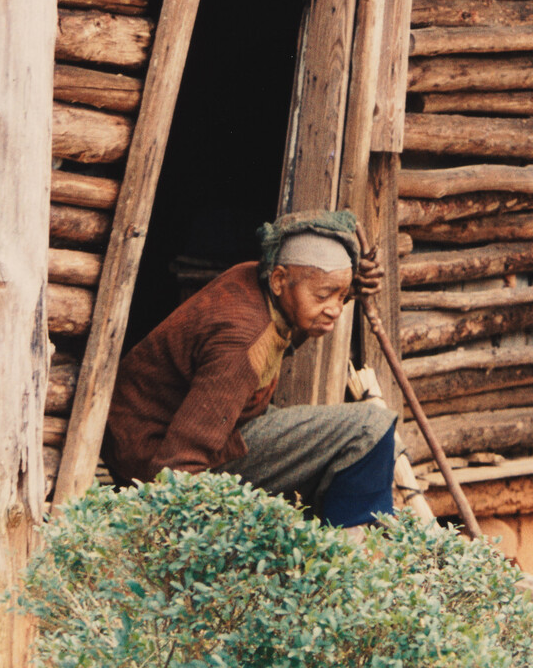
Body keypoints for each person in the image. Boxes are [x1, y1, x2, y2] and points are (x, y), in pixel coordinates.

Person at [102, 209, 398, 532]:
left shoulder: (257, 280)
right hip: (152, 454)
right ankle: (350, 548)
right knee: (370, 426)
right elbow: (177, 463)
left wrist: (349, 288)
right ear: (279, 280)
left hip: (158, 438)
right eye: (323, 295)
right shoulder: (242, 345)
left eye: (342, 296)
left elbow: (306, 302)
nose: (336, 309)